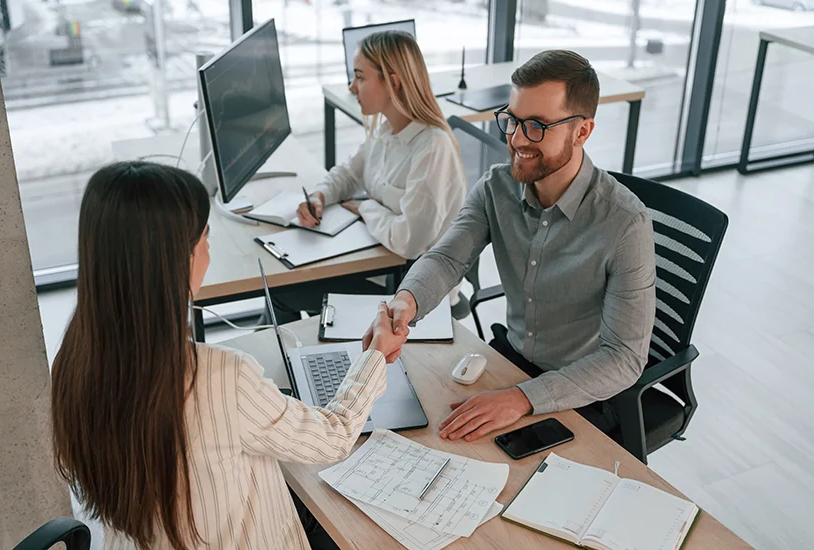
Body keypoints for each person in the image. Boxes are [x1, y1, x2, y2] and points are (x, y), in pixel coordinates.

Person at [50, 161, 408, 550]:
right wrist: (374, 355)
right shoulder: (220, 378)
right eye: (204, 237)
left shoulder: (73, 363)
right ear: (177, 260)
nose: (208, 248)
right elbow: (333, 438)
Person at [363, 50, 656, 443]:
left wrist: (520, 398)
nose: (517, 139)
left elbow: (623, 358)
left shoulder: (624, 224)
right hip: (512, 361)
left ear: (582, 131)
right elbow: (448, 258)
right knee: (421, 429)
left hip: (581, 392)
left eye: (536, 125)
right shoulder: (496, 187)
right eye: (512, 120)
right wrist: (405, 303)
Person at [269, 30, 465, 323]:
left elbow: (409, 240)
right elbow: (349, 173)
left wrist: (365, 208)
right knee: (285, 278)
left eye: (360, 77)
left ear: (394, 83)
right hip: (382, 267)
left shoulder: (432, 147)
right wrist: (319, 196)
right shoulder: (387, 130)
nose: (351, 87)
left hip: (410, 293)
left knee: (280, 293)